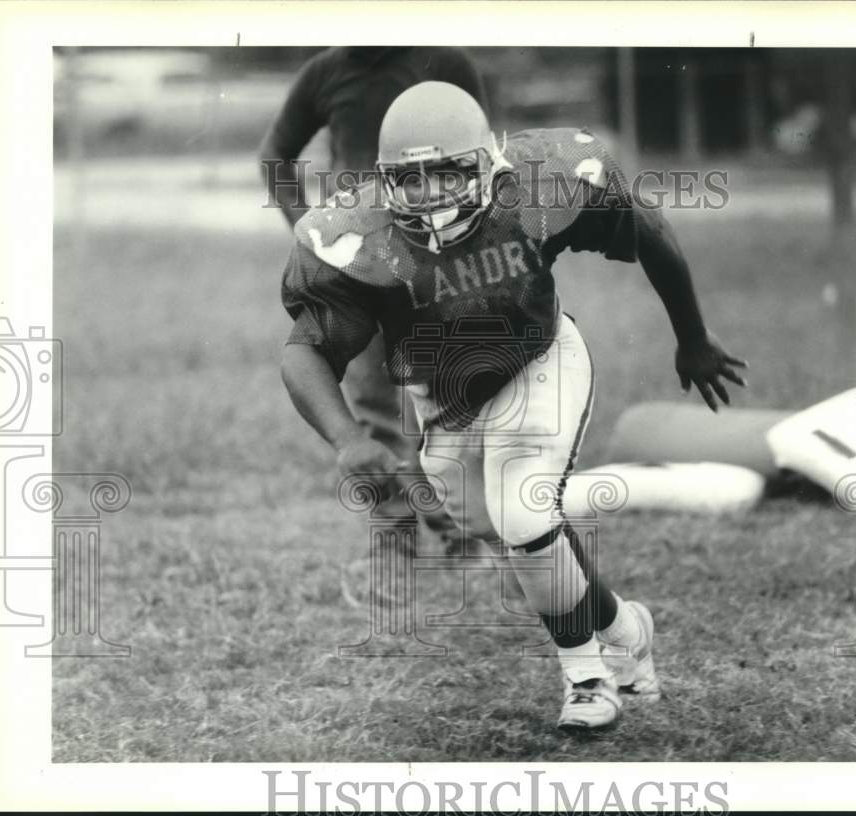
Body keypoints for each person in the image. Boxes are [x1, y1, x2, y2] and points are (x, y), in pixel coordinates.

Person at [279, 82, 747, 729]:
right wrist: (346, 438)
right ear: (384, 182)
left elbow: (649, 230)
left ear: (488, 164)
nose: (432, 195)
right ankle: (626, 627)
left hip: (539, 359)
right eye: (411, 181)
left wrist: (693, 337)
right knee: (522, 537)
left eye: (447, 172)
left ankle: (588, 680)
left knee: (525, 513)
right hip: (443, 401)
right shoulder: (357, 239)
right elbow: (304, 351)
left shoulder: (542, 185)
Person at [260, 48, 489, 607]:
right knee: (371, 404)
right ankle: (393, 537)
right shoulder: (324, 71)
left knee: (452, 393)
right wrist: (310, 231)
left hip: (438, 251)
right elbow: (276, 156)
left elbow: (486, 155)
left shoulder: (443, 62)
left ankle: (463, 528)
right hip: (359, 259)